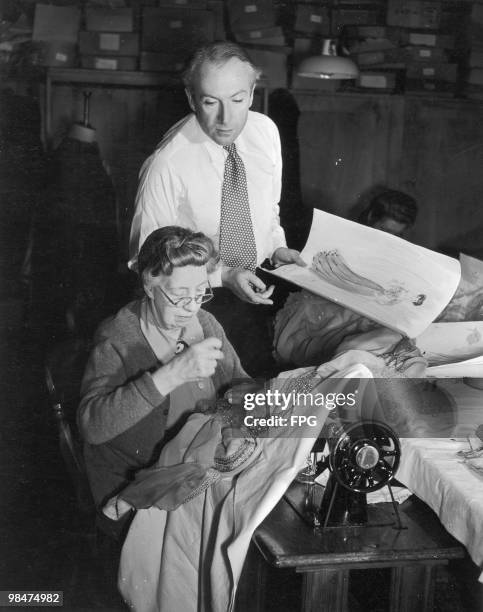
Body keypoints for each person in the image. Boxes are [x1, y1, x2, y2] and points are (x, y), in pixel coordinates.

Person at [128, 41, 305, 375]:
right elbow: (146, 261)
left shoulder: (265, 132)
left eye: (237, 100)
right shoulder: (167, 163)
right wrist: (222, 275)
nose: (226, 118)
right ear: (192, 98)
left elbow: (268, 209)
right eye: (211, 102)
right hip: (200, 302)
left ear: (252, 94)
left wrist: (277, 246)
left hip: (261, 281)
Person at [77, 226, 249, 539]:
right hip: (133, 486)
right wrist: (169, 375)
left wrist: (237, 428)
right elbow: (92, 426)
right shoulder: (119, 337)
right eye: (180, 296)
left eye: (200, 293)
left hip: (197, 467)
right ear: (149, 285)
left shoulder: (206, 323)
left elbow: (241, 385)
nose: (192, 307)